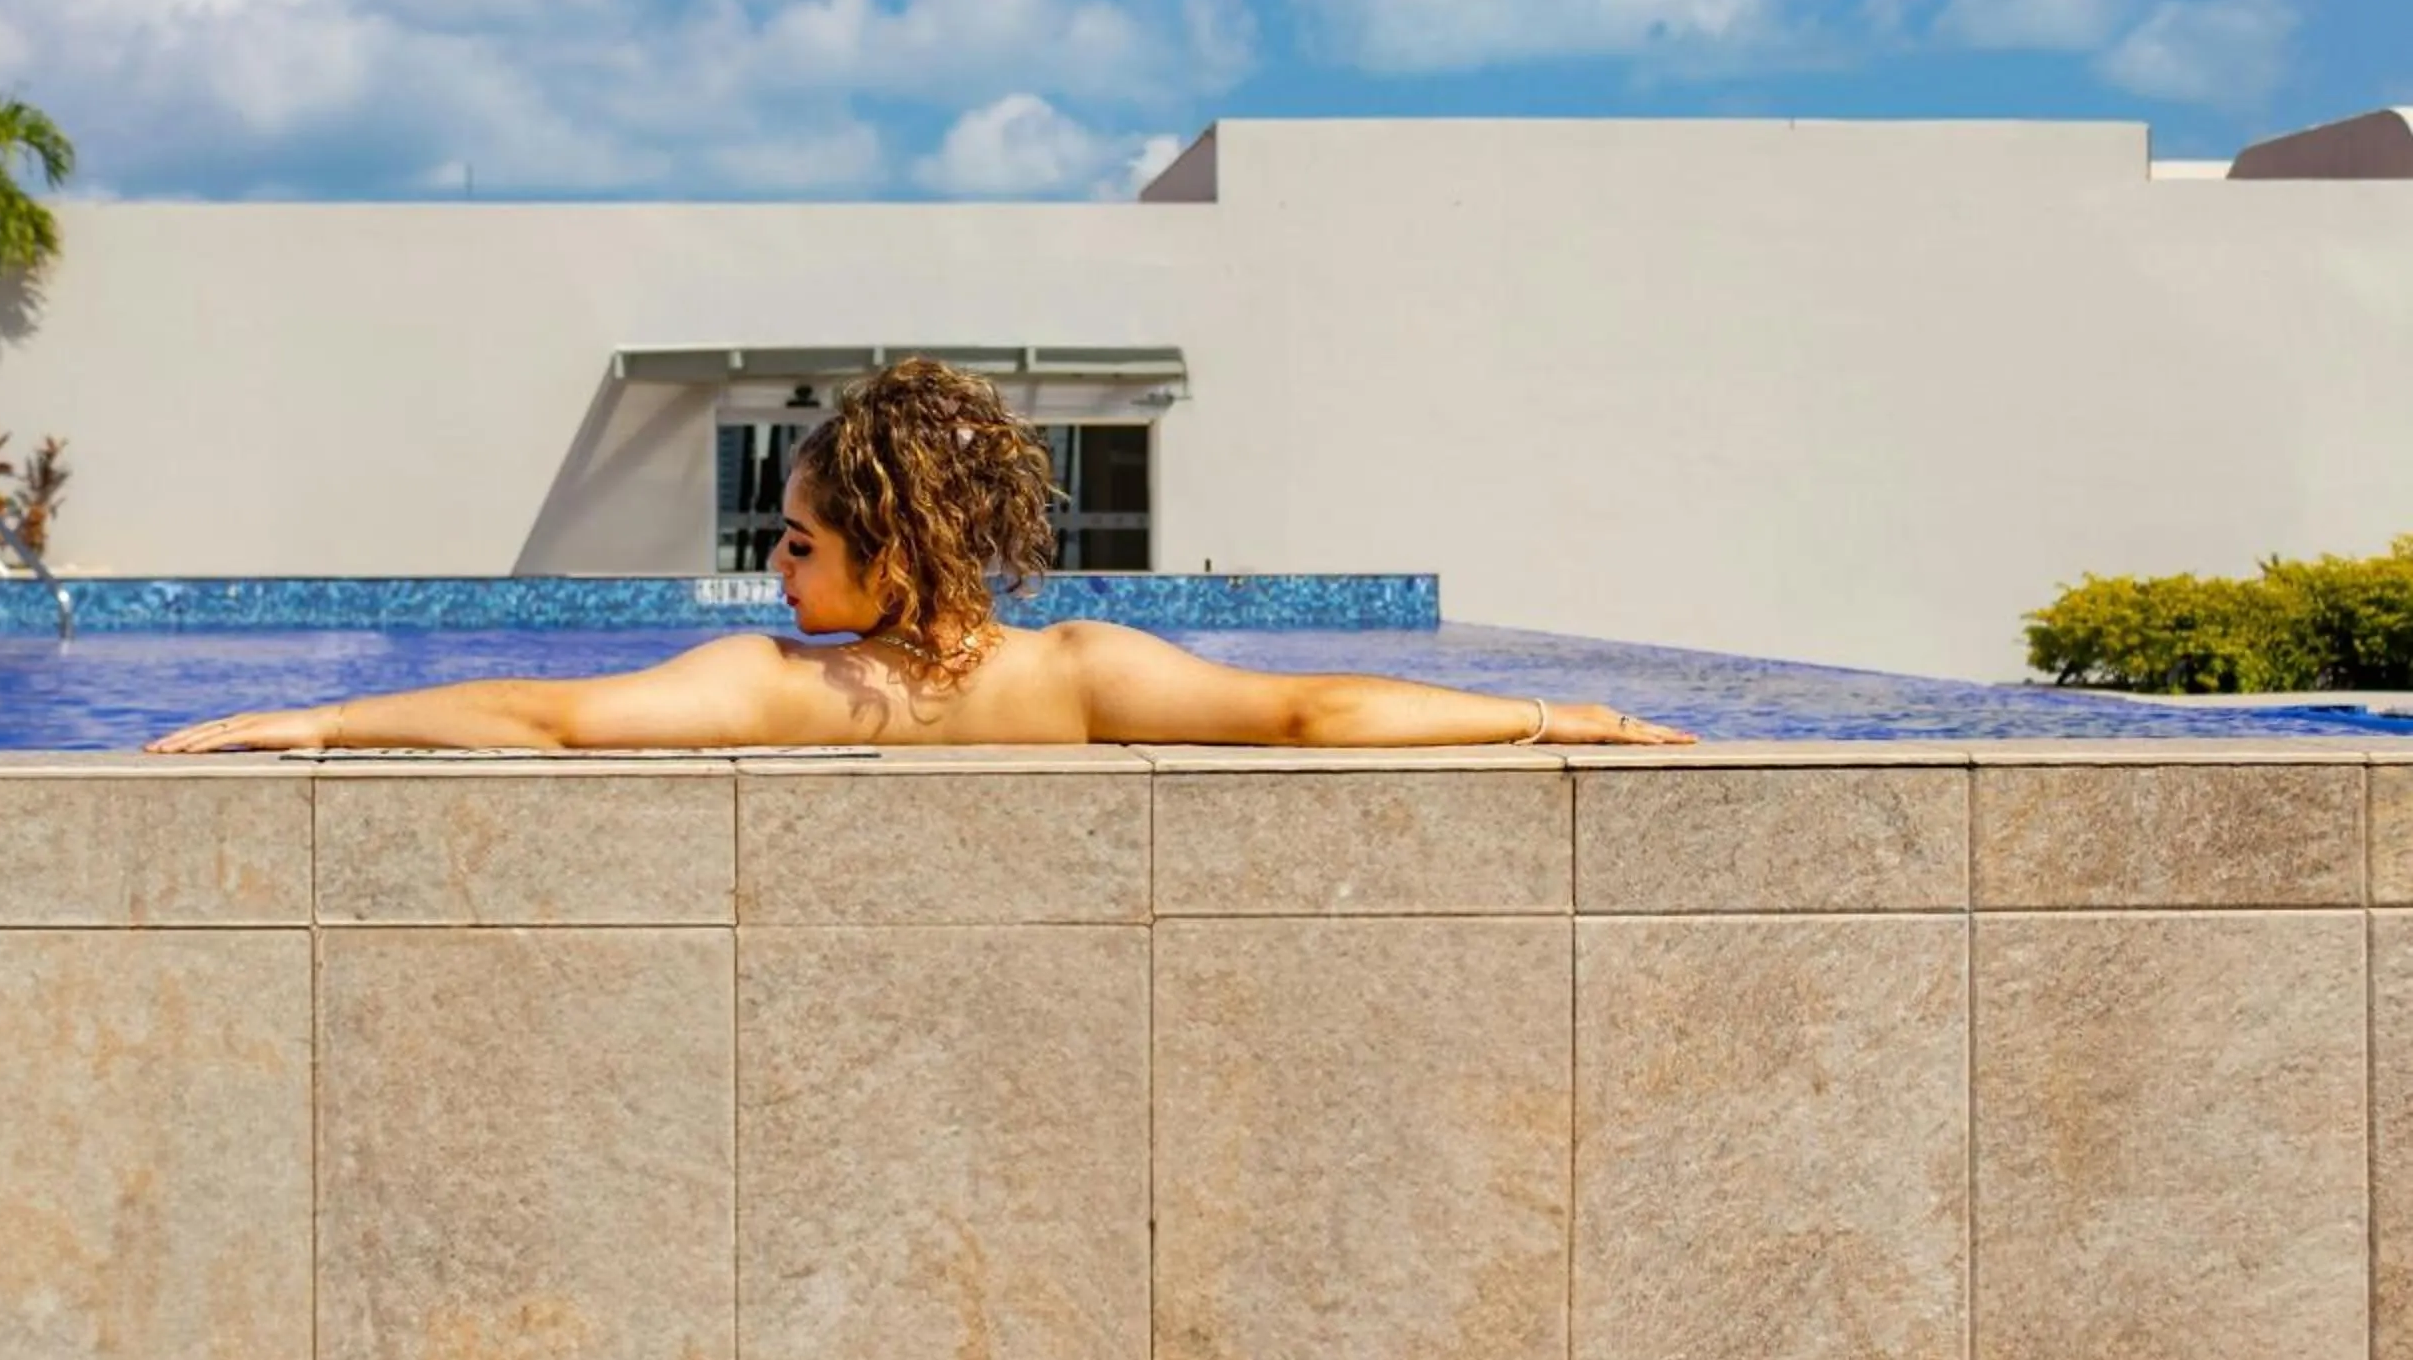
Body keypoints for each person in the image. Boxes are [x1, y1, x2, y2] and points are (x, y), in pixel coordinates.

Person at [145, 357, 1694, 753]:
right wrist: (1565, 719)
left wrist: (327, 719)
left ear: (888, 548)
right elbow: (1314, 713)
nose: (778, 574)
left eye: (801, 540)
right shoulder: (1085, 676)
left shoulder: (788, 692)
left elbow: (549, 719)